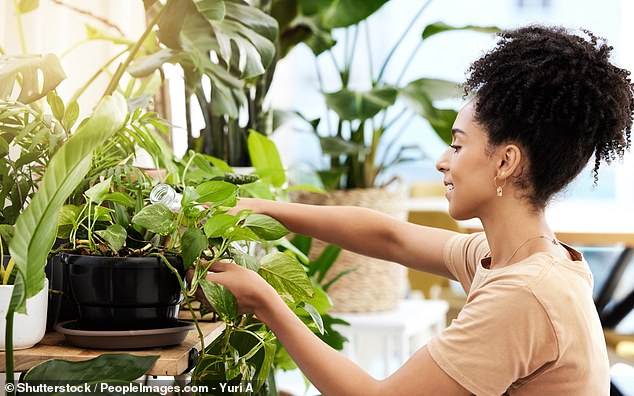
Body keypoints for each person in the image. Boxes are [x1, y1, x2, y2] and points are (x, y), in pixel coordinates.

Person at [205, 25, 634, 395]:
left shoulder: (525, 294)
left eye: (458, 144)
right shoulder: (513, 258)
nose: (443, 161)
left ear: (506, 162)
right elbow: (391, 237)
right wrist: (262, 209)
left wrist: (265, 301)